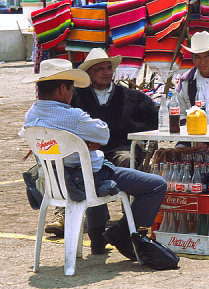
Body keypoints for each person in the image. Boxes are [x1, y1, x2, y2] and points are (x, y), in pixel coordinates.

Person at [22, 59, 167, 259]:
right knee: (155, 185)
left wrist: (75, 140)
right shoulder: (72, 116)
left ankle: (98, 237)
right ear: (63, 88)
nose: (73, 93)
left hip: (55, 180)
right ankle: (121, 232)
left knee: (94, 168)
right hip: (82, 177)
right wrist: (82, 138)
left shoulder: (31, 115)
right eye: (71, 88)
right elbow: (103, 134)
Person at [44, 48, 159, 236]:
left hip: (118, 149)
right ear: (89, 73)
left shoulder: (131, 97)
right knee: (68, 165)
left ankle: (128, 217)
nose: (106, 73)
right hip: (84, 151)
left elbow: (154, 121)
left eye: (109, 68)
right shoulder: (76, 96)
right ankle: (63, 214)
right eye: (100, 69)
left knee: (125, 158)